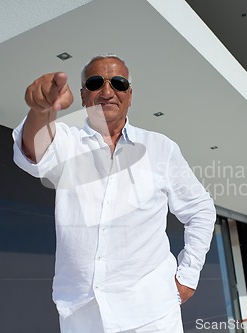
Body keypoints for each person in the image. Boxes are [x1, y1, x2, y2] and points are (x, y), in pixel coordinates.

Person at [13, 54, 216, 333]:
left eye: (118, 83)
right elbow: (34, 153)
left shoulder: (161, 148)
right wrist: (42, 110)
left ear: (129, 95)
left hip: (152, 313)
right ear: (84, 96)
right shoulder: (68, 143)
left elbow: (200, 209)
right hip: (82, 317)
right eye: (96, 83)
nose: (107, 92)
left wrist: (188, 275)